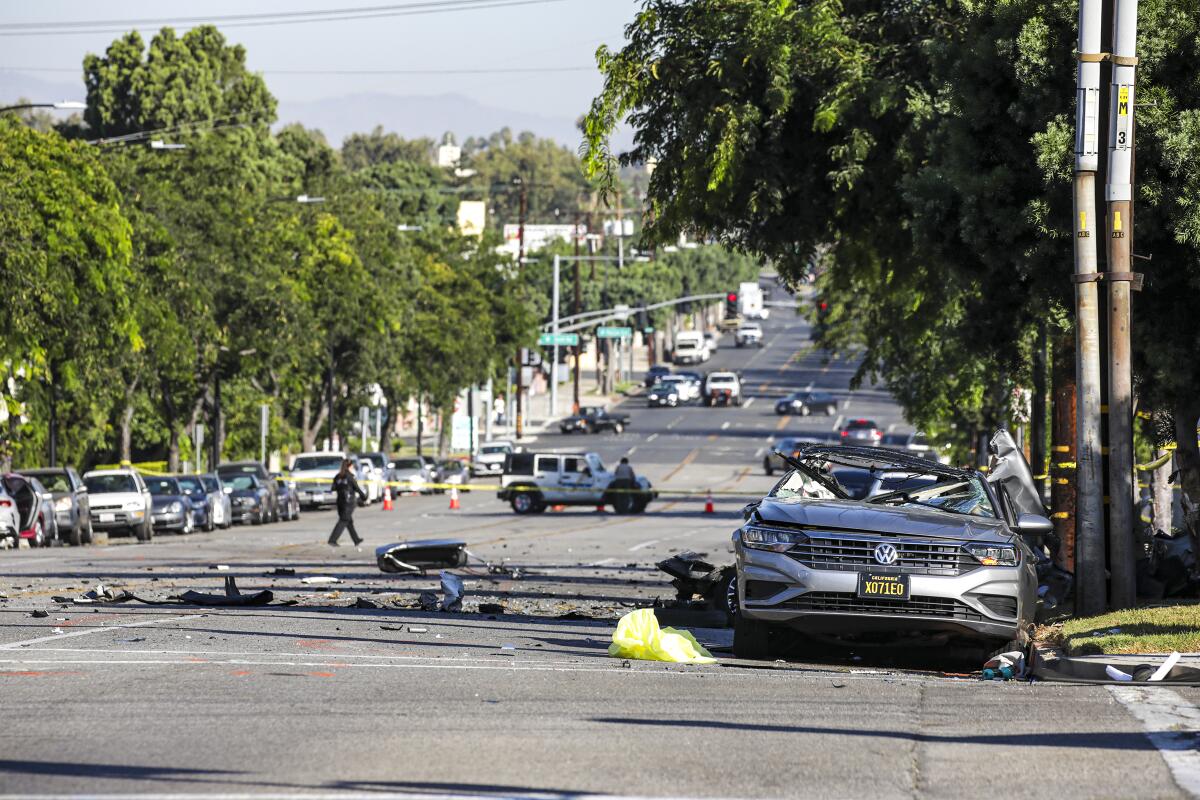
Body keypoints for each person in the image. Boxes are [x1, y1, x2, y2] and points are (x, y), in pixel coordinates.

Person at [328, 458, 368, 546]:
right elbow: (356, 488)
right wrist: (364, 497)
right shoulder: (350, 477)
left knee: (349, 521)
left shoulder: (338, 477)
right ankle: (332, 539)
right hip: (349, 503)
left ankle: (356, 539)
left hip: (340, 502)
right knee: (343, 520)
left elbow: (333, 488)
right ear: (349, 466)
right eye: (352, 466)